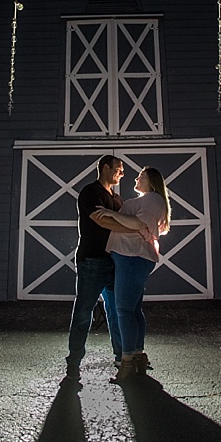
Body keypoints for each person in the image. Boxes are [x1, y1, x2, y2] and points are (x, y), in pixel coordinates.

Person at [91, 166, 171, 384]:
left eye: (141, 176)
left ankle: (126, 363)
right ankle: (137, 355)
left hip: (133, 256)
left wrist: (109, 213)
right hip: (127, 256)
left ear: (152, 181)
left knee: (124, 309)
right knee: (133, 309)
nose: (136, 178)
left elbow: (139, 223)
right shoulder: (143, 200)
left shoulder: (153, 199)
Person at [63, 155, 124, 384]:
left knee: (117, 311)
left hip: (114, 261)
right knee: (83, 311)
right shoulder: (91, 192)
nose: (122, 173)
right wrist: (129, 228)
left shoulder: (116, 199)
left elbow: (120, 219)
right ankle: (74, 363)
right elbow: (101, 221)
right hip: (92, 260)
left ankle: (122, 359)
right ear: (105, 168)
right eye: (118, 168)